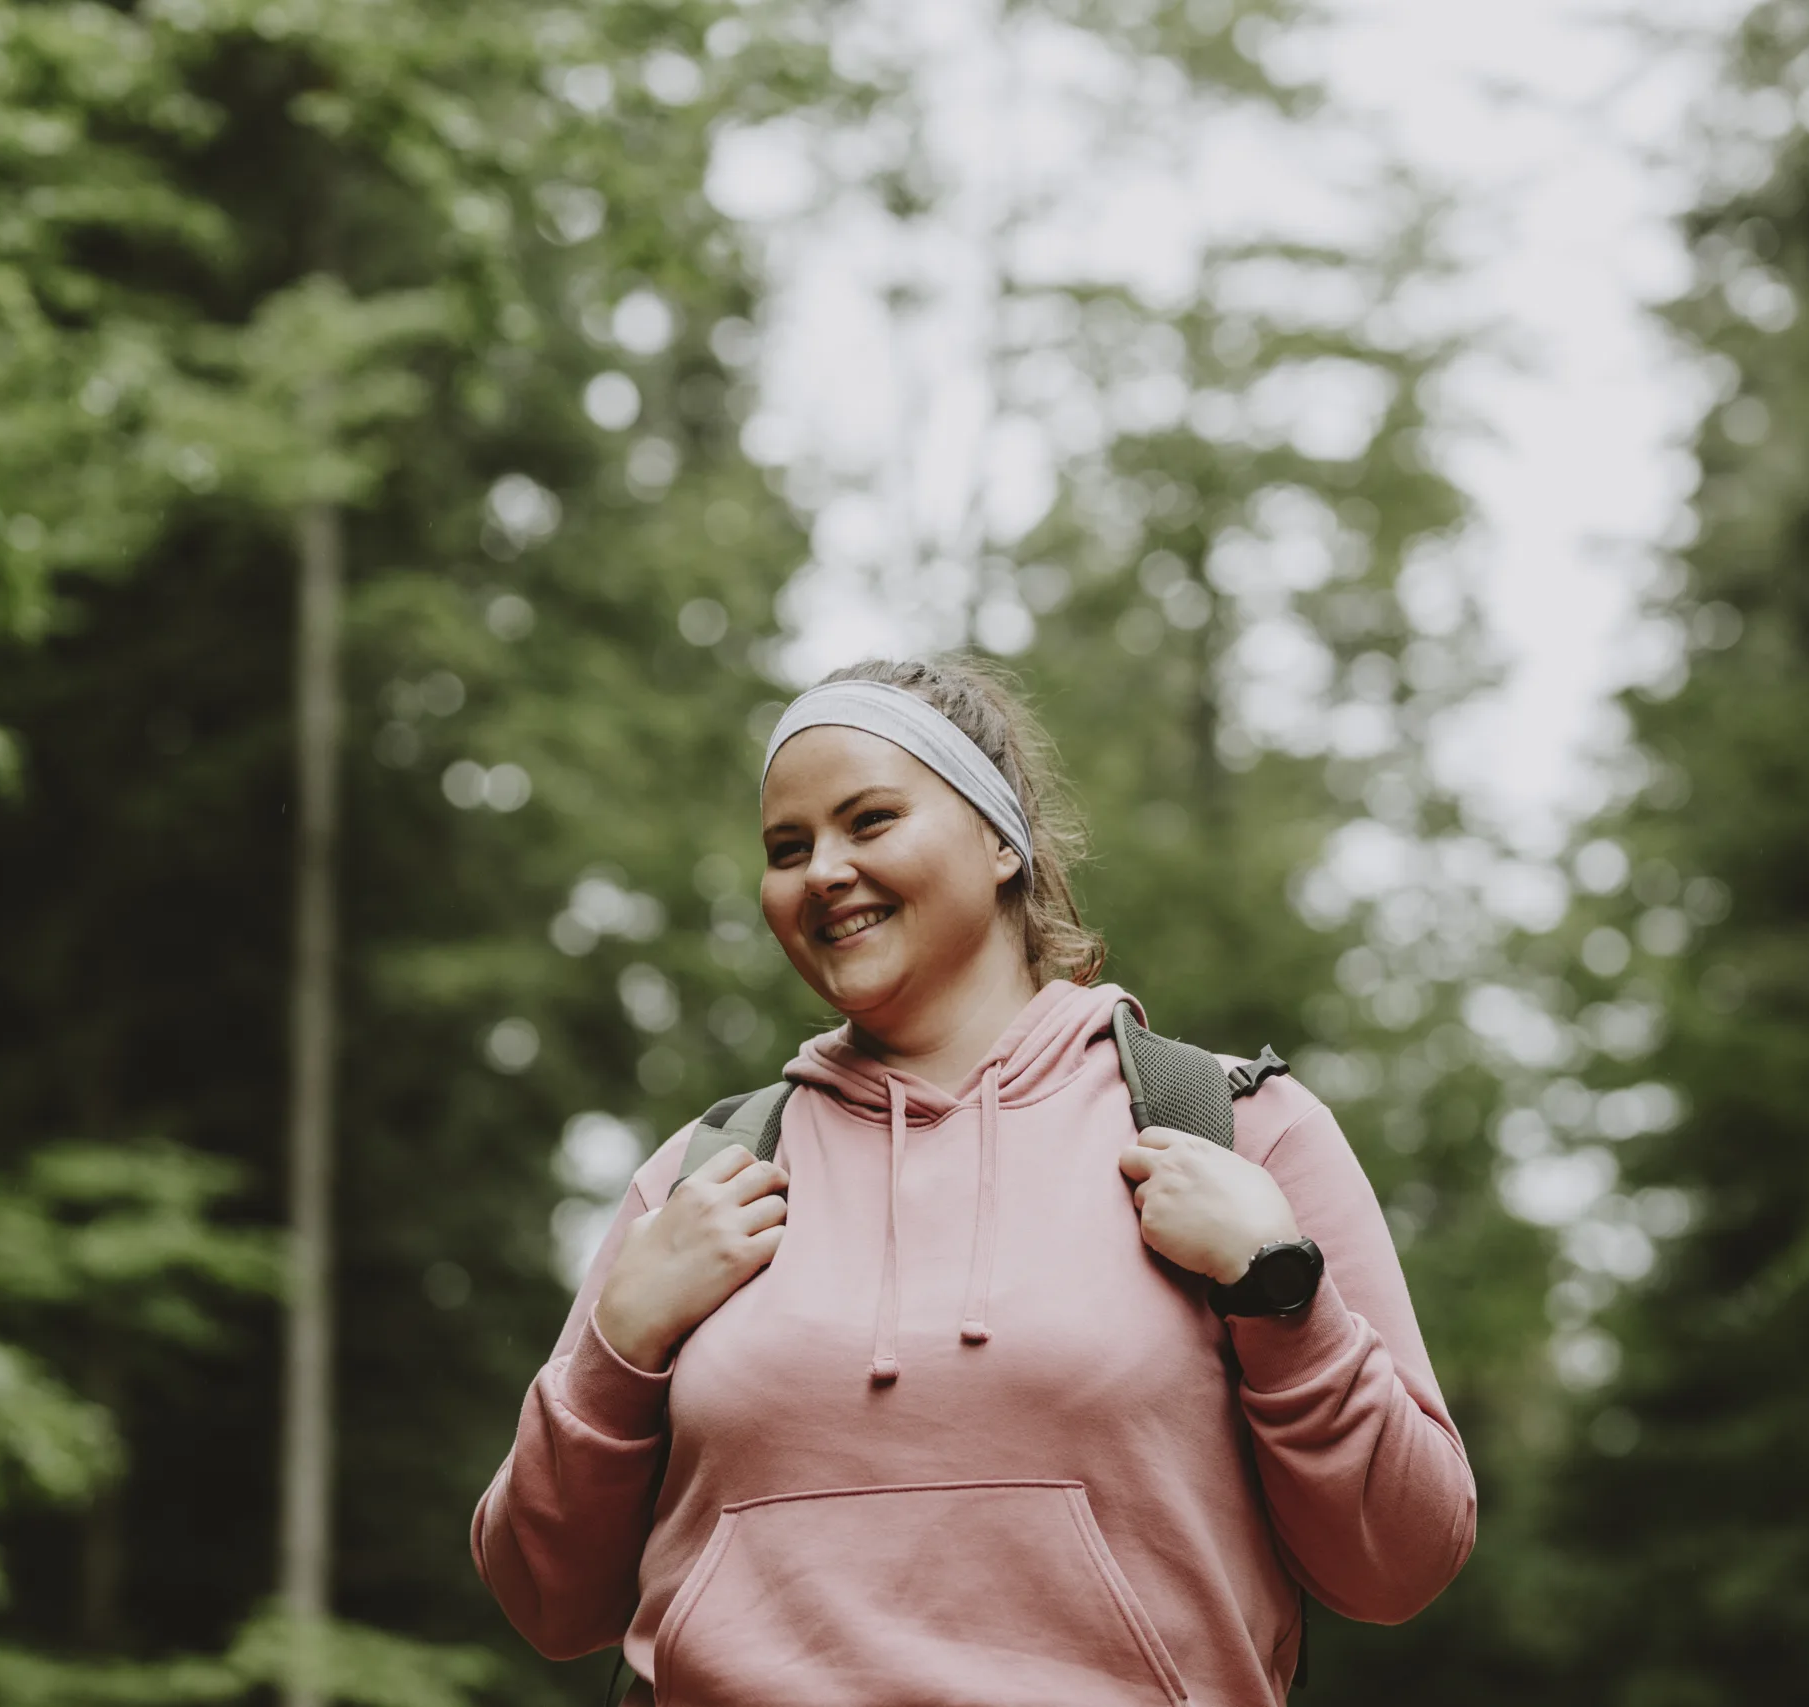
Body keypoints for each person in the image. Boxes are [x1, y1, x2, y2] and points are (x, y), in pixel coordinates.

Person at [471, 654, 1475, 1706]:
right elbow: (545, 1602)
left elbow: (1399, 1562)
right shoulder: (706, 1177)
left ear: (1003, 842)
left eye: (868, 821)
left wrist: (1281, 1294)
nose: (820, 871)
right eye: (786, 847)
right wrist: (616, 1349)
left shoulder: (1227, 1127)